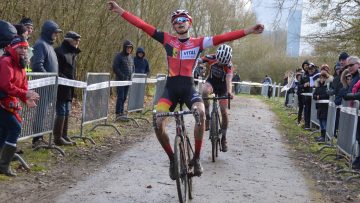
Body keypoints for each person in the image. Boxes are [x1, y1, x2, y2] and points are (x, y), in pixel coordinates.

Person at [108, 1, 264, 180]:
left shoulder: (199, 43)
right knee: (158, 123)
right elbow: (142, 25)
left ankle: (196, 159)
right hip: (171, 90)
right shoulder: (167, 40)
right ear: (173, 26)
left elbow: (224, 37)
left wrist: (250, 30)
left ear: (189, 23)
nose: (179, 22)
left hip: (189, 89)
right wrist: (120, 11)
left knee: (201, 114)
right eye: (175, 20)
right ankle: (173, 159)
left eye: (183, 19)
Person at [0, 36, 39, 176]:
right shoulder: (6, 62)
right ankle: (4, 165)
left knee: (4, 131)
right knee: (15, 127)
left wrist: (25, 97)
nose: (23, 50)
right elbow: (6, 85)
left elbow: (23, 85)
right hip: (2, 101)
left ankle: (2, 163)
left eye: (25, 48)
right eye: (20, 48)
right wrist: (25, 93)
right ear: (13, 48)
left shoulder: (21, 64)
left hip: (8, 102)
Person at [31, 20, 62, 148]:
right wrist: (49, 80)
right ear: (49, 32)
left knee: (45, 112)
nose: (56, 35)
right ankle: (37, 140)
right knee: (41, 112)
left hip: (50, 86)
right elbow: (38, 65)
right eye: (55, 32)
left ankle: (41, 136)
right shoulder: (40, 45)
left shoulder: (49, 45)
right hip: (43, 85)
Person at [199, 44, 234, 152]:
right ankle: (208, 116)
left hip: (223, 87)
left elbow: (229, 80)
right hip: (212, 83)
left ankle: (223, 138)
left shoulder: (229, 66)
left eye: (222, 63)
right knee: (204, 92)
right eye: (219, 61)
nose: (219, 63)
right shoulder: (211, 57)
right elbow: (198, 60)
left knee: (224, 112)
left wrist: (229, 92)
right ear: (217, 56)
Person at [54, 31, 81, 146]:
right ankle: (57, 137)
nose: (77, 43)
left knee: (67, 111)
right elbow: (57, 71)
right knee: (61, 111)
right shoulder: (59, 51)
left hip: (69, 87)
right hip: (61, 87)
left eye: (78, 41)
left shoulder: (73, 53)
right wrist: (66, 80)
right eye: (76, 40)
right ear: (69, 40)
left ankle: (64, 135)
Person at [112, 39, 134, 120]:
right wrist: (122, 76)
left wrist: (132, 76)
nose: (129, 49)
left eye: (130, 48)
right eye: (128, 47)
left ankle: (122, 112)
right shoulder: (118, 56)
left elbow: (132, 67)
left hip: (128, 81)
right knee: (120, 97)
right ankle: (118, 113)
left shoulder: (131, 57)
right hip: (120, 81)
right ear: (124, 48)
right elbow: (115, 68)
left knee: (124, 97)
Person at [313, 64, 333, 142]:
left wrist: (319, 96)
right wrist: (317, 96)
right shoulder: (318, 86)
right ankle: (321, 136)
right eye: (321, 77)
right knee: (320, 121)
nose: (322, 79)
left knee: (324, 122)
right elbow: (314, 95)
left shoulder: (327, 86)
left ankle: (324, 137)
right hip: (319, 106)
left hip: (325, 107)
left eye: (323, 77)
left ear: (326, 78)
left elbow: (327, 95)